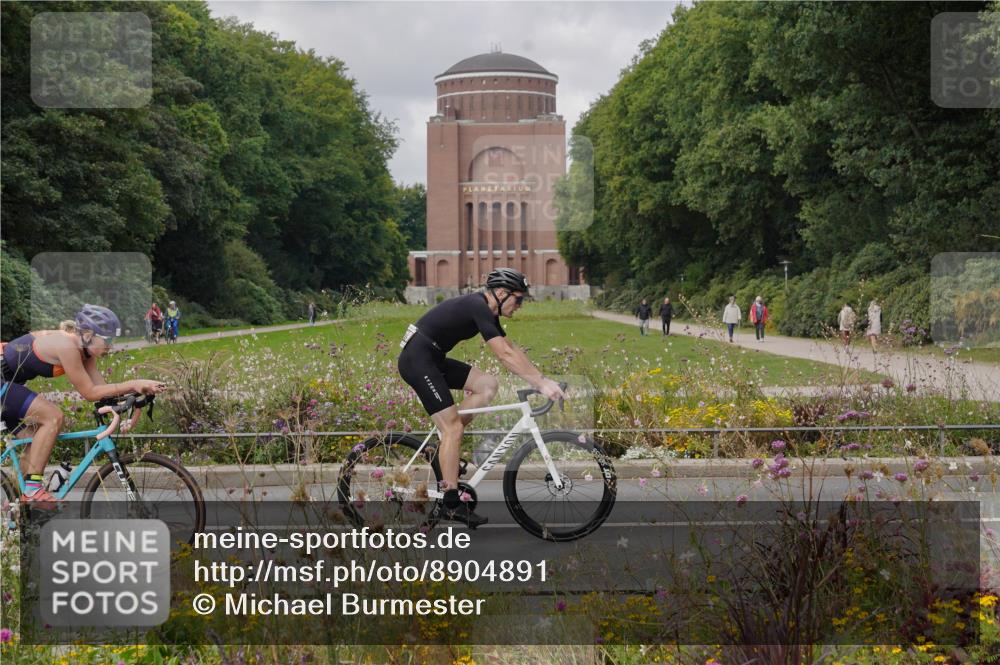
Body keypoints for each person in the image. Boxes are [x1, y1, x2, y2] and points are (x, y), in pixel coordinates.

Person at [397, 268, 565, 527]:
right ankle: (451, 503)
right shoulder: (478, 306)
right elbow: (503, 356)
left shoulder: (486, 310)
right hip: (417, 360)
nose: (520, 305)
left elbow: (510, 348)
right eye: (518, 299)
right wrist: (541, 384)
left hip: (431, 358)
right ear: (500, 293)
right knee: (453, 427)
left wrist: (541, 378)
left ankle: (446, 446)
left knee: (487, 384)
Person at [0, 305, 166, 505]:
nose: (110, 347)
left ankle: (19, 510)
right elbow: (89, 393)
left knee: (35, 439)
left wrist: (136, 396)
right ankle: (33, 491)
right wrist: (134, 383)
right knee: (53, 417)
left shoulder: (85, 352)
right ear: (87, 335)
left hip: (9, 383)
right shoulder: (67, 346)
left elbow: (102, 391)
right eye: (108, 340)